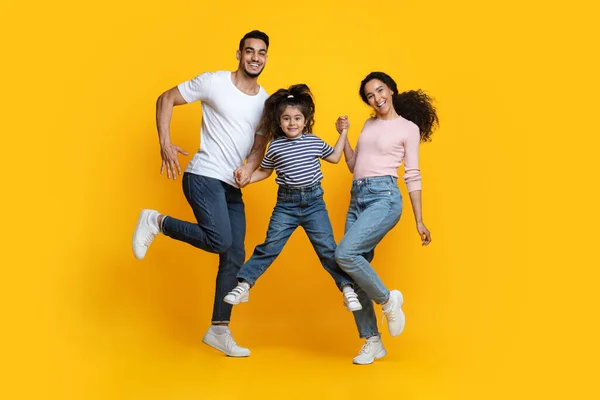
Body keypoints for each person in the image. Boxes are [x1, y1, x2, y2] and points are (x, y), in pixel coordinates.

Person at [131, 30, 271, 357]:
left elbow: (259, 145)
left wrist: (250, 169)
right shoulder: (214, 81)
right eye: (249, 51)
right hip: (203, 175)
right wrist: (164, 142)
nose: (255, 57)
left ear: (266, 57)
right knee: (220, 240)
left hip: (233, 186)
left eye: (261, 52)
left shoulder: (265, 102)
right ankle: (156, 221)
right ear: (238, 54)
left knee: (235, 254)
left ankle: (219, 329)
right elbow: (166, 98)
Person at [223, 84, 362, 313]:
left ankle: (347, 289)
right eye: (286, 118)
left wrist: (343, 132)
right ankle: (244, 284)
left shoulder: (313, 141)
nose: (292, 123)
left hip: (314, 203)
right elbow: (265, 172)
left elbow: (336, 157)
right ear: (279, 122)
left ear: (305, 121)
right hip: (286, 206)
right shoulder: (276, 147)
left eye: (297, 118)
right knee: (270, 246)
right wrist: (246, 176)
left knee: (327, 249)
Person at [334, 71, 439, 364]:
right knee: (354, 271)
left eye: (380, 90)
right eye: (370, 95)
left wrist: (419, 220)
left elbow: (413, 174)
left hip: (385, 197)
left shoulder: (408, 128)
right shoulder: (368, 124)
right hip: (357, 196)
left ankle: (388, 300)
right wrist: (343, 136)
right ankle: (373, 342)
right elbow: (355, 165)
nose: (377, 98)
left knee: (345, 253)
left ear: (391, 90)